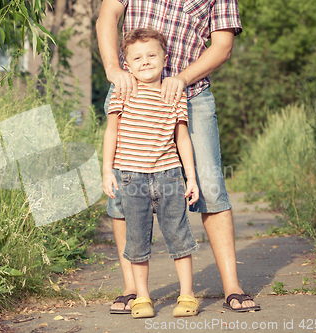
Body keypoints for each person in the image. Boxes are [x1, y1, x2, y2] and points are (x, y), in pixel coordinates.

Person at [96, 0, 261, 313]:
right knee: (123, 191)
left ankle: (232, 287)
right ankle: (133, 289)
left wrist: (182, 79)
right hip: (130, 90)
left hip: (190, 94)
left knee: (210, 185)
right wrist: (113, 69)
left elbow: (222, 45)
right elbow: (108, 15)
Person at [102, 28, 200, 319]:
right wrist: (108, 171)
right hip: (131, 177)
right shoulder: (123, 91)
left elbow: (182, 138)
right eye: (137, 57)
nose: (145, 61)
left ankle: (187, 294)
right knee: (136, 241)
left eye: (151, 55)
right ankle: (142, 297)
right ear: (126, 64)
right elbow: (111, 132)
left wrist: (191, 176)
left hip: (169, 175)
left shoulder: (174, 94)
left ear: (165, 58)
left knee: (179, 236)